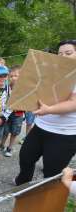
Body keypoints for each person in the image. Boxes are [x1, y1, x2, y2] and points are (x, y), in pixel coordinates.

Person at [15, 40, 76, 186]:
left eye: (68, 53)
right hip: (41, 126)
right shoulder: (52, 71)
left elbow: (74, 103)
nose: (63, 56)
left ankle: (44, 200)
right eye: (60, 53)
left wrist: (48, 110)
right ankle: (22, 184)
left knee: (52, 172)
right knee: (25, 157)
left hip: (65, 134)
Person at [0, 65, 24, 157]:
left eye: (16, 76)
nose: (13, 78)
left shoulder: (23, 88)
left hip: (18, 114)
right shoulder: (7, 87)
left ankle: (10, 147)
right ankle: (1, 144)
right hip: (7, 113)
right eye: (11, 76)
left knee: (14, 131)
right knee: (5, 130)